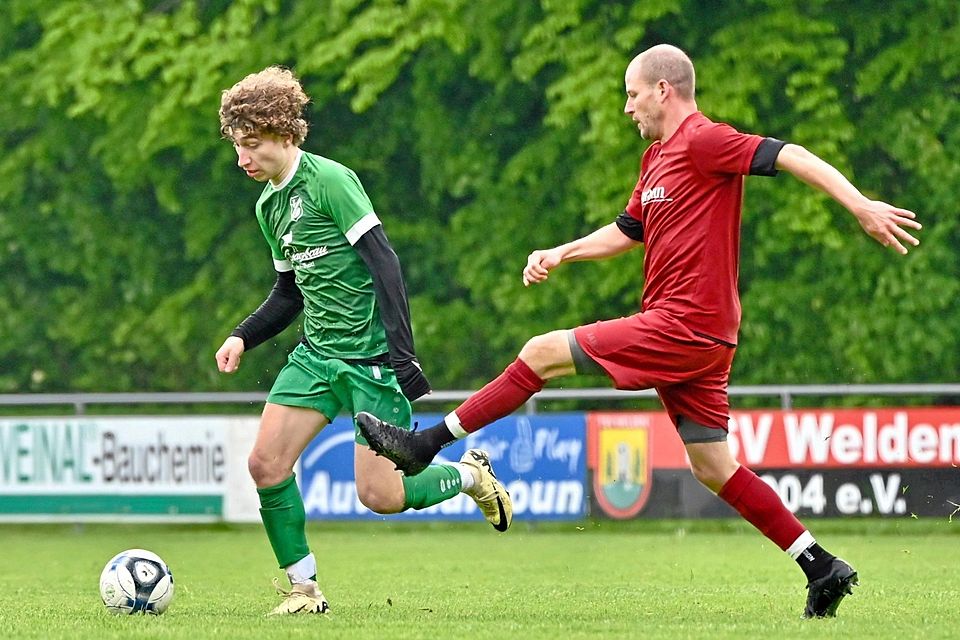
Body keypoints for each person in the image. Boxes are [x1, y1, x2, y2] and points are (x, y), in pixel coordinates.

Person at [357, 44, 922, 618]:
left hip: (685, 324)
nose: (627, 108)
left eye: (632, 94)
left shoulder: (703, 140)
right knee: (711, 465)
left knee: (542, 351)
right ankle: (820, 566)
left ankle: (424, 444)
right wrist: (563, 252)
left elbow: (793, 154)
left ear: (663, 90)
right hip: (696, 335)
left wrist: (861, 206)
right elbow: (629, 231)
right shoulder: (656, 161)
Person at [215, 66, 513, 616]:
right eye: (238, 147)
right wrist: (242, 335)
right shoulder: (268, 207)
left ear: (283, 133)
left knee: (380, 497)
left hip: (370, 361)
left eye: (251, 145)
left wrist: (402, 355)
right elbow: (288, 293)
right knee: (265, 465)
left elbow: (386, 264)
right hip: (314, 358)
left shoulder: (331, 182)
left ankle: (471, 476)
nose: (243, 159)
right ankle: (305, 592)